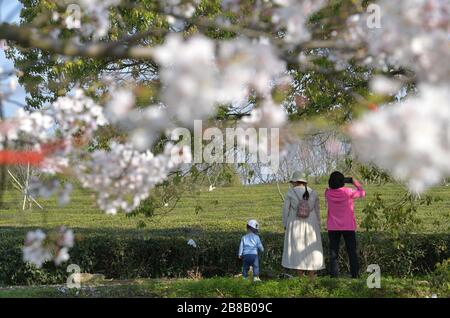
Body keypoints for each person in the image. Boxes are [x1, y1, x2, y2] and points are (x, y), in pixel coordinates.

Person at [282, 171, 324, 277]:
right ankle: (311, 277)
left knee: (297, 249)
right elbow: (317, 210)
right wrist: (319, 224)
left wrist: (285, 223)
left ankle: (300, 277)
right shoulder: (313, 192)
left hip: (295, 224)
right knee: (312, 250)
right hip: (311, 225)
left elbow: (285, 210)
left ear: (295, 181)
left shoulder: (290, 192)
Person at [325, 171, 365, 278]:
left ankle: (334, 276)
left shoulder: (327, 193)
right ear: (343, 181)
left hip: (333, 227)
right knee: (352, 252)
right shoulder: (348, 192)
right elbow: (362, 192)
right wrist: (353, 182)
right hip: (348, 226)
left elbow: (328, 188)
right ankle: (355, 275)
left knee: (333, 253)